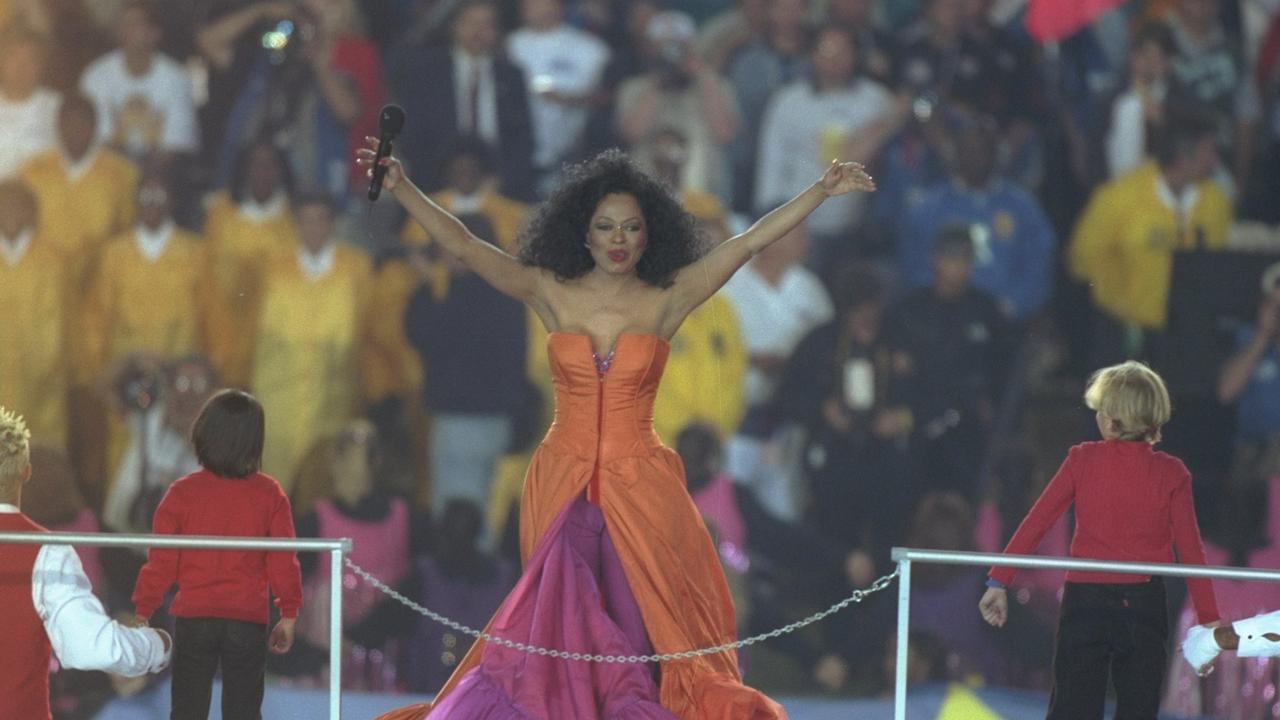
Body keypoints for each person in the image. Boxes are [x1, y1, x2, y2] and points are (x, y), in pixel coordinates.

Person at [359, 125, 873, 717]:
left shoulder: (668, 296)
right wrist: (402, 188)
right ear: (583, 231)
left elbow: (749, 244)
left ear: (649, 231)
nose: (618, 239)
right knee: (558, 624)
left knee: (637, 620)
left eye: (631, 226)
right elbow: (467, 247)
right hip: (560, 480)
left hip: (641, 485)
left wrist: (819, 191)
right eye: (605, 226)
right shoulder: (551, 289)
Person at [979, 361, 1221, 719]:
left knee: (1072, 709)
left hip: (1086, 602)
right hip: (1144, 605)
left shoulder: (1083, 460)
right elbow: (1191, 552)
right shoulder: (1172, 473)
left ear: (1110, 419)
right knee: (1138, 709)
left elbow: (1038, 521)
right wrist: (1209, 620)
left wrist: (999, 579)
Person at [131, 389, 302, 720]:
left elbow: (161, 561)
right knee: (244, 711)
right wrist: (289, 614)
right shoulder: (270, 494)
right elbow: (284, 560)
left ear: (203, 434)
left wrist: (144, 609)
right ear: (256, 442)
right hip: (247, 620)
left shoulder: (182, 493)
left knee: (187, 710)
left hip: (195, 619)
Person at [0, 406, 171, 720]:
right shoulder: (53, 546)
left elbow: (144, 588)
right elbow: (94, 645)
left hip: (86, 690)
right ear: (25, 473)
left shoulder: (89, 533)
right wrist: (157, 646)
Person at [1069, 103, 1232, 365]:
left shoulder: (1216, 203)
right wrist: (1121, 298)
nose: (1215, 162)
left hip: (1186, 340)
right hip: (1124, 337)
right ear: (1183, 157)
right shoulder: (1119, 198)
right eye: (1209, 152)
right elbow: (1082, 260)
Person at [247, 190, 372, 490]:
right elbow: (250, 331)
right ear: (296, 225)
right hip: (278, 399)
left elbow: (368, 333)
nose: (314, 228)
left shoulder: (356, 267)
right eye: (306, 221)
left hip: (333, 399)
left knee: (325, 486)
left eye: (321, 220)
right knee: (273, 484)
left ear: (333, 224)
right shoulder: (271, 266)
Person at [389, 0, 536, 200]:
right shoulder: (426, 72)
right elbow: (414, 136)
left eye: (487, 24)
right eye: (470, 22)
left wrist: (500, 181)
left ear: (497, 31)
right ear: (454, 26)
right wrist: (449, 181)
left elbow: (522, 139)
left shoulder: (511, 76)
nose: (478, 31)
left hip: (499, 188)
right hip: (436, 187)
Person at [78, 0, 198, 162]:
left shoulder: (177, 78)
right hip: (109, 171)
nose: (127, 30)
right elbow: (99, 142)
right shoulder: (95, 75)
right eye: (123, 24)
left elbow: (176, 145)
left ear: (154, 33)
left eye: (135, 24)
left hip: (160, 173)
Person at [0, 180, 70, 449]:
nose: (11, 216)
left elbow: (61, 326)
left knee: (38, 456)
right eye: (4, 208)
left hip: (42, 384)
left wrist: (46, 368)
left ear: (31, 213)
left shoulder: (52, 260)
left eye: (18, 208)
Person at [0, 26, 60, 179]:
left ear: (42, 65)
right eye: (13, 57)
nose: (21, 67)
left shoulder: (58, 107)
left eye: (30, 59)